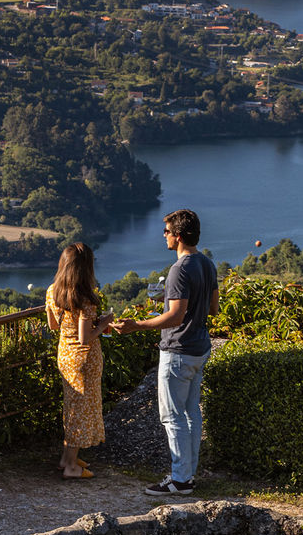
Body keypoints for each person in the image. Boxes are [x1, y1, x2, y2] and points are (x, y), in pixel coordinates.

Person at [111, 209, 217, 495]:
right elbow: (212, 308)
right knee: (192, 412)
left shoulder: (179, 270)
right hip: (199, 347)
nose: (164, 236)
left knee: (172, 416)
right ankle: (188, 474)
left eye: (167, 232)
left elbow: (175, 317)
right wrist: (175, 300)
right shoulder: (207, 264)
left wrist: (137, 325)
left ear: (179, 236)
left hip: (178, 349)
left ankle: (180, 480)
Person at [46, 242, 115, 479]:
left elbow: (53, 325)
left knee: (72, 408)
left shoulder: (52, 291)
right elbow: (86, 339)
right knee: (82, 410)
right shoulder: (85, 299)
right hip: (85, 359)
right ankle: (71, 468)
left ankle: (67, 458)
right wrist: (105, 322)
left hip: (64, 355)